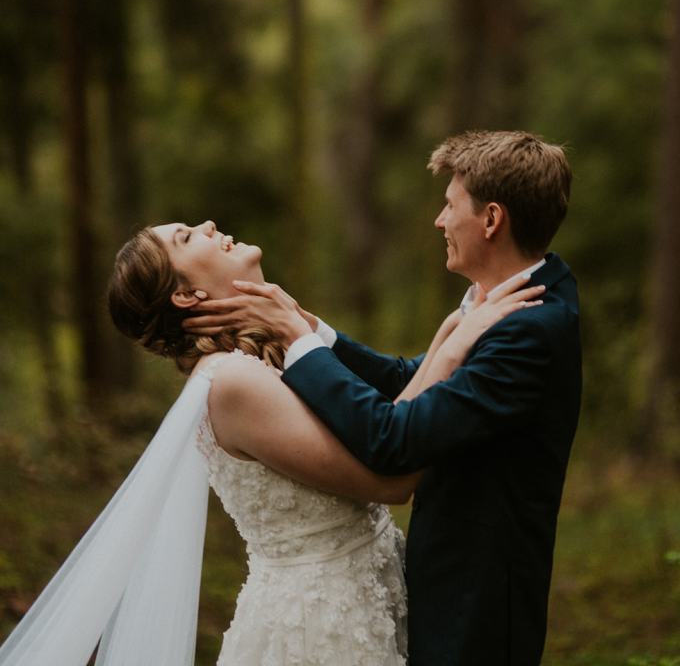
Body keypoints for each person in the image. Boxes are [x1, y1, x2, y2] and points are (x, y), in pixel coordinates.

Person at [0, 215, 540, 666]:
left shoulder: (262, 356)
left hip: (367, 598)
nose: (208, 225)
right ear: (186, 295)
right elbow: (388, 477)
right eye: (187, 237)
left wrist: (451, 330)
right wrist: (456, 348)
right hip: (318, 629)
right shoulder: (232, 381)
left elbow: (382, 420)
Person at [184, 130, 581, 666]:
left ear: (491, 220)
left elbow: (393, 439)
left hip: (477, 605)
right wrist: (310, 329)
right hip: (438, 589)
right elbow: (406, 381)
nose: (439, 221)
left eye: (450, 206)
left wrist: (296, 341)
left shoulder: (526, 327)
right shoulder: (508, 301)